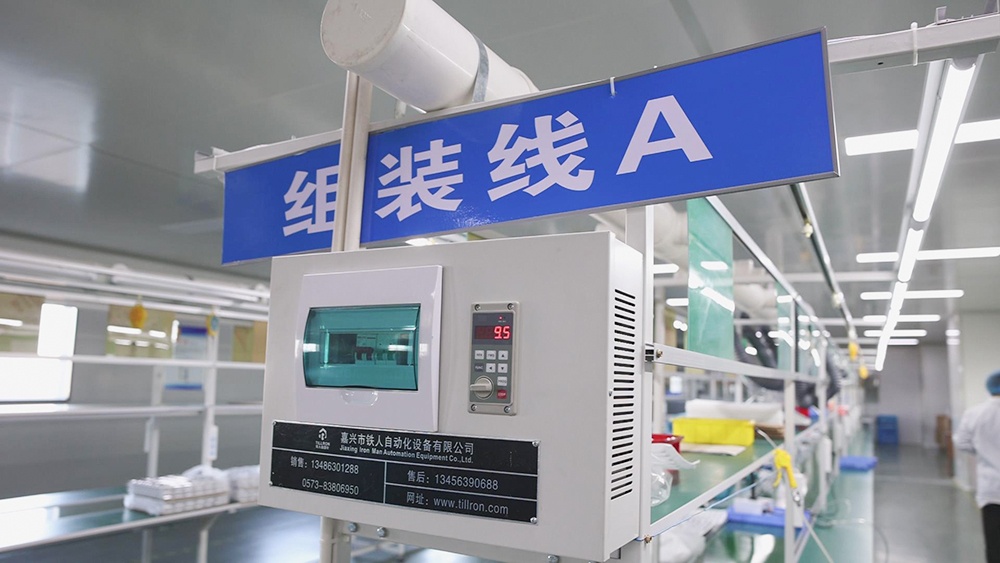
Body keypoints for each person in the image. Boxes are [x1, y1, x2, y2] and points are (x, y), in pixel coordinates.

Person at [955, 369, 1000, 563]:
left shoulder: (974, 413)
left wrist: (983, 451)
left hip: (991, 490)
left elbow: (962, 443)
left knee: (994, 545)